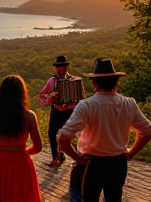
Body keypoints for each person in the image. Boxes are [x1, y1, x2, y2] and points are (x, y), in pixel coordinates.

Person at [57, 58, 151, 202]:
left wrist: (77, 158)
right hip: (118, 165)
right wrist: (131, 153)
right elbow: (147, 132)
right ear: (116, 82)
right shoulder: (129, 104)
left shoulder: (87, 105)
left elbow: (63, 139)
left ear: (94, 83)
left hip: (90, 164)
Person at [0, 75, 42, 202]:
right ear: (22, 94)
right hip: (21, 164)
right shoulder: (29, 116)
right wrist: (23, 153)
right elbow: (38, 147)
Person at [38, 55, 84, 166]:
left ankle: (74, 156)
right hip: (56, 110)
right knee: (52, 134)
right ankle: (56, 158)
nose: (58, 69)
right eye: (57, 66)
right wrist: (50, 99)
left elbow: (80, 97)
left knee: (70, 135)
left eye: (61, 66)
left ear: (66, 67)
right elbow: (41, 95)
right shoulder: (52, 81)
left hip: (70, 111)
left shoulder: (74, 81)